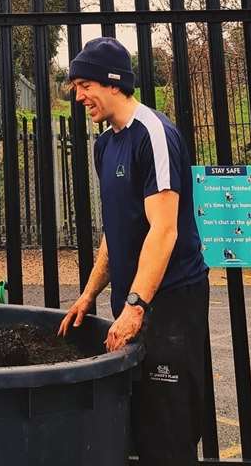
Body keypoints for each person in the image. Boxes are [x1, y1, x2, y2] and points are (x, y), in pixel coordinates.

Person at [57, 37, 209, 466]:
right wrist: (89, 294)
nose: (78, 95)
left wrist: (138, 305)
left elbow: (164, 230)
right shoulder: (105, 144)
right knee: (137, 422)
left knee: (170, 425)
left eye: (84, 84)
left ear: (113, 82)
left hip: (172, 302)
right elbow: (117, 231)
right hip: (132, 301)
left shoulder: (154, 134)